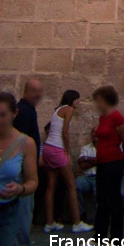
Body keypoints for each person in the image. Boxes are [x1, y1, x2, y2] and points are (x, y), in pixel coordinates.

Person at [42, 90, 92, 234]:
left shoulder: (57, 110)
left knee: (51, 186)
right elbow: (65, 132)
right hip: (58, 149)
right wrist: (67, 151)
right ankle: (77, 222)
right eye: (77, 100)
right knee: (71, 185)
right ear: (72, 100)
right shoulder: (68, 109)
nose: (79, 102)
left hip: (48, 148)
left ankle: (49, 222)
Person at [0, 92, 38, 246]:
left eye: (2, 115)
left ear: (15, 113)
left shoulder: (26, 143)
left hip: (8, 212)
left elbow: (33, 181)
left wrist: (21, 189)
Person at [92, 86, 124, 246]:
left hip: (114, 161)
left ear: (105, 99)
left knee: (113, 199)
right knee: (102, 198)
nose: (96, 103)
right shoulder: (103, 117)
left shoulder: (116, 117)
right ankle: (99, 236)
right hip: (102, 161)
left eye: (98, 100)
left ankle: (116, 238)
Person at [12, 79, 43, 246]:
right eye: (34, 91)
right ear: (25, 92)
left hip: (26, 169)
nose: (38, 95)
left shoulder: (28, 109)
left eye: (39, 91)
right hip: (23, 171)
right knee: (23, 212)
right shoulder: (24, 111)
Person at [76, 128, 98, 220]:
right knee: (74, 185)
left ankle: (99, 218)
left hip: (99, 177)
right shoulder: (86, 148)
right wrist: (96, 160)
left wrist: (86, 159)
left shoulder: (105, 147)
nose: (94, 134)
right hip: (87, 177)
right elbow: (82, 165)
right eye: (92, 132)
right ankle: (81, 214)